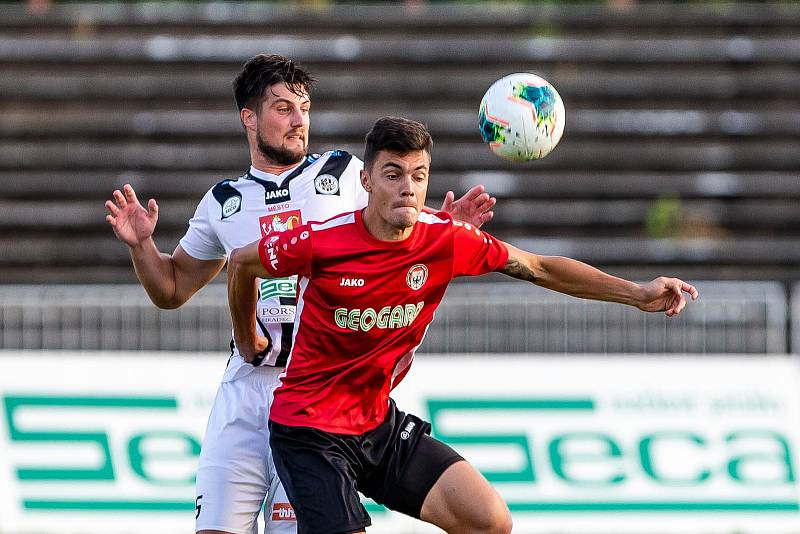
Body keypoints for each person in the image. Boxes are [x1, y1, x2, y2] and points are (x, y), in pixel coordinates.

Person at [227, 116, 700, 534]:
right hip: (308, 430)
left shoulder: (447, 240)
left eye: (418, 175)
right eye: (393, 175)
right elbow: (241, 263)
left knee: (489, 520)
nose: (407, 188)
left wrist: (637, 294)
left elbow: (538, 267)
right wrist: (249, 339)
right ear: (366, 181)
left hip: (375, 423)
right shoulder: (322, 243)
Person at [104, 56, 496, 534]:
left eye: (304, 109)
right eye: (283, 109)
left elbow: (397, 212)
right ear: (249, 117)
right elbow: (170, 289)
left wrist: (443, 226)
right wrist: (142, 245)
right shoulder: (224, 202)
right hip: (247, 391)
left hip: (318, 394)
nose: (298, 121)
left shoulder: (343, 173)